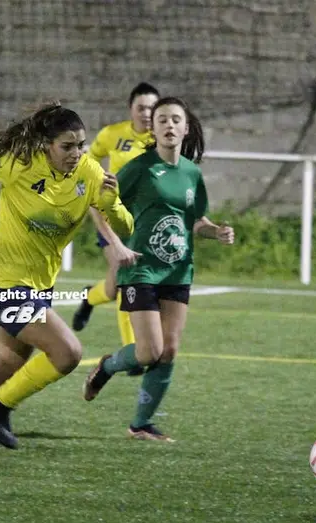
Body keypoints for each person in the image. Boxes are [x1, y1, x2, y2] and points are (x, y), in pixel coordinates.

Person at [0, 103, 135, 467]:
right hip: (4, 284)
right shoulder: (19, 163)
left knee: (5, 367)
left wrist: (111, 202)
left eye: (82, 145)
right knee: (68, 353)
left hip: (38, 287)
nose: (77, 154)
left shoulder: (88, 172)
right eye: (67, 146)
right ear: (45, 145)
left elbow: (126, 229)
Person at [82, 97, 235, 442]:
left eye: (175, 119)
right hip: (141, 270)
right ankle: (107, 366)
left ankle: (141, 425)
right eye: (161, 119)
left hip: (178, 271)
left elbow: (195, 221)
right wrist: (117, 245)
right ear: (153, 128)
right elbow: (99, 205)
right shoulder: (140, 167)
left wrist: (216, 231)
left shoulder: (192, 174)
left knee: (169, 350)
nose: (168, 125)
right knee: (148, 352)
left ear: (185, 128)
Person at [72, 83, 160, 372]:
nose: (147, 114)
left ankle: (89, 297)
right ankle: (132, 351)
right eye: (142, 108)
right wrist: (95, 179)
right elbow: (91, 158)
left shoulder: (162, 138)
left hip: (144, 223)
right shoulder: (113, 134)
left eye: (152, 108)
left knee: (111, 289)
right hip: (112, 218)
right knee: (125, 280)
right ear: (131, 109)